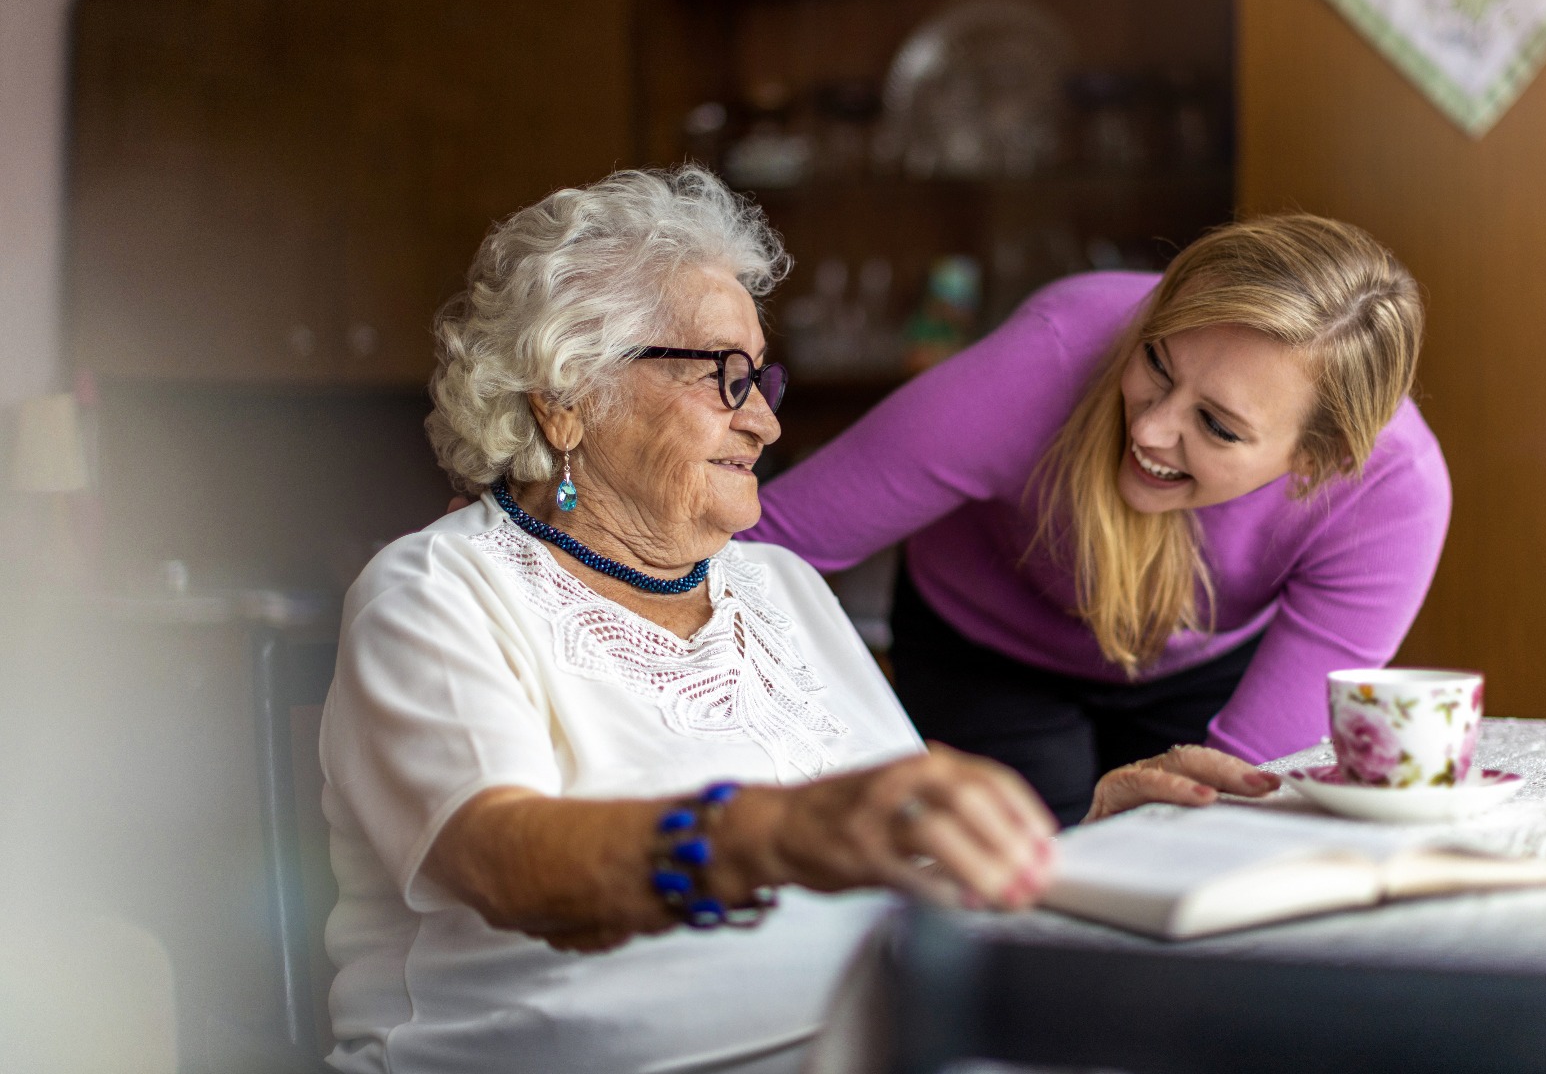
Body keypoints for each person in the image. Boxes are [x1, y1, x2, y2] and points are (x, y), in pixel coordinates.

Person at [319, 167, 1278, 1074]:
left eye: (761, 382)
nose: (767, 425)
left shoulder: (776, 585)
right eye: (722, 379)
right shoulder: (439, 592)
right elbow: (508, 863)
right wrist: (776, 833)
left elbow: (895, 845)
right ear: (568, 401)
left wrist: (1088, 839)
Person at [744, 215, 1450, 825]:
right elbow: (759, 543)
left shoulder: (1393, 495)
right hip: (986, 646)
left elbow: (1245, 793)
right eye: (1157, 362)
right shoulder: (1049, 356)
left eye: (1216, 425)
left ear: (1317, 460)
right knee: (1012, 893)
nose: (1151, 429)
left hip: (1202, 665)